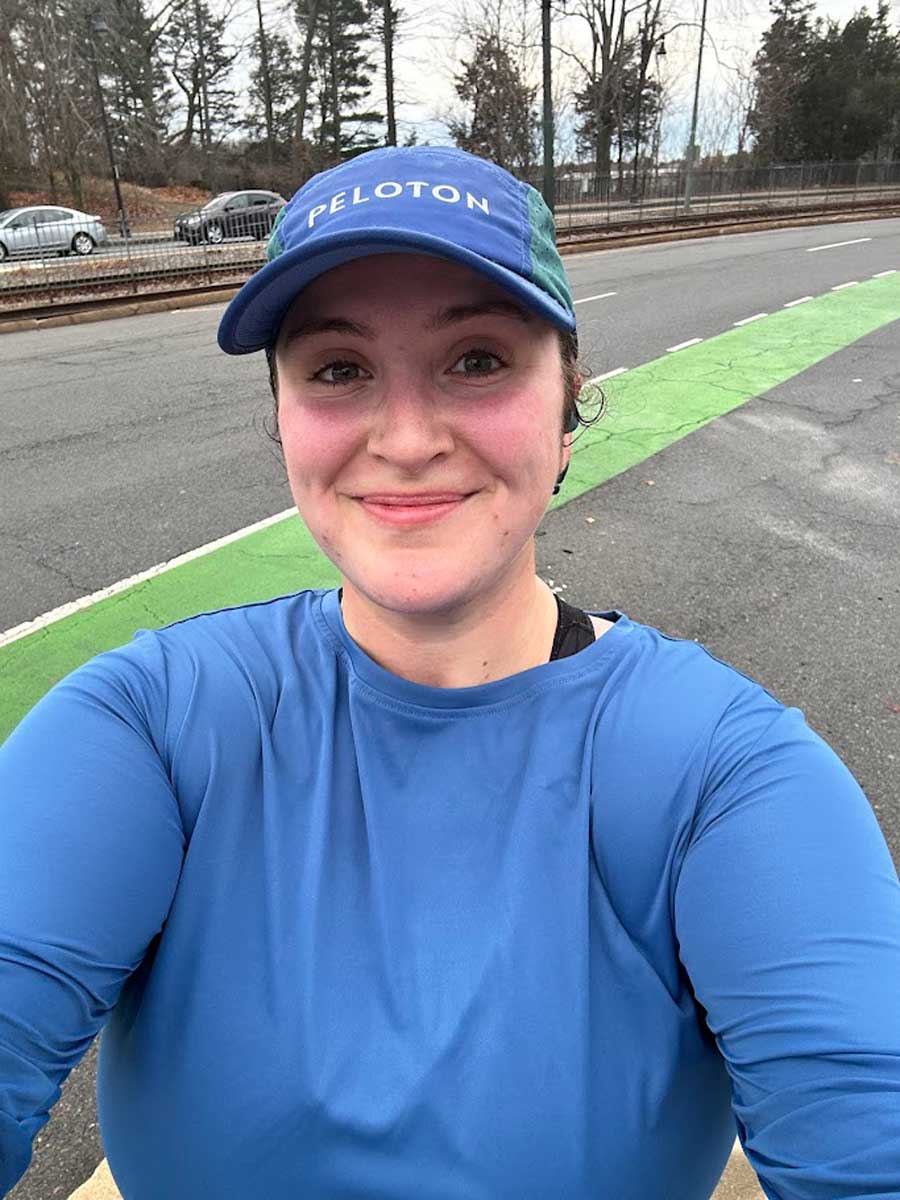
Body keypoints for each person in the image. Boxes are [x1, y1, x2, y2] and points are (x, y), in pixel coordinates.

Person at [1, 146, 899, 1200]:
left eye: (477, 359)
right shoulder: (150, 725)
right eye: (339, 369)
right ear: (282, 421)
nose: (410, 438)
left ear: (566, 415)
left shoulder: (725, 775)